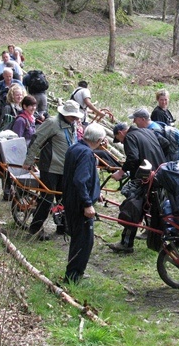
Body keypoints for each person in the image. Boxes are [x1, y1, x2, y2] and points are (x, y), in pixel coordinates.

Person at [23, 100, 84, 239]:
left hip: (66, 169)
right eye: (71, 116)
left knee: (64, 199)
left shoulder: (72, 125)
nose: (74, 119)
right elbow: (36, 140)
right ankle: (35, 229)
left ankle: (62, 226)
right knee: (46, 200)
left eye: (75, 116)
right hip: (50, 168)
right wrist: (29, 160)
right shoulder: (52, 123)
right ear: (64, 113)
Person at [108, 122, 166, 253]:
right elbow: (165, 143)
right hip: (159, 174)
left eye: (119, 140)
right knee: (154, 208)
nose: (122, 143)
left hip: (145, 178)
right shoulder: (147, 131)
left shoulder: (129, 137)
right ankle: (154, 236)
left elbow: (133, 158)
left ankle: (126, 244)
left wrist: (120, 173)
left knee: (132, 208)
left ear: (121, 133)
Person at [62, 123, 106, 284]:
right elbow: (80, 180)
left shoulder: (74, 148)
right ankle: (73, 277)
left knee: (79, 239)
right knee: (84, 241)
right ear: (100, 140)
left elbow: (83, 178)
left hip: (71, 200)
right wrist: (88, 203)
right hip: (79, 204)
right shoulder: (87, 154)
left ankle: (74, 271)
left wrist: (96, 192)